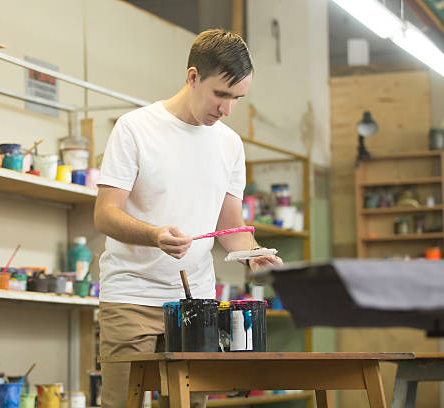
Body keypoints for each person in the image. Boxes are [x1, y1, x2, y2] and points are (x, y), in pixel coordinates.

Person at [93, 29, 283, 408]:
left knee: (187, 405)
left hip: (194, 302)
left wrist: (252, 252)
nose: (227, 109)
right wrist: (154, 234)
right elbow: (105, 214)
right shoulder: (135, 128)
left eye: (237, 99)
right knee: (121, 403)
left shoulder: (230, 144)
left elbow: (232, 226)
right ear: (193, 76)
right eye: (221, 94)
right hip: (131, 296)